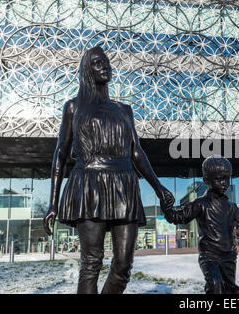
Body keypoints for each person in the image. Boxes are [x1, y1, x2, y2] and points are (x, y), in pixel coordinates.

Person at [43, 46, 173, 294]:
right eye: (97, 63)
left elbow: (137, 152)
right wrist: (52, 203)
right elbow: (60, 154)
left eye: (106, 61)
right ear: (86, 70)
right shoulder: (73, 107)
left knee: (124, 264)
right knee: (91, 263)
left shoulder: (124, 110)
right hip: (88, 184)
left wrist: (158, 187)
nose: (104, 66)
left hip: (124, 184)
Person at [160, 155, 239, 294]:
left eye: (227, 178)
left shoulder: (231, 207)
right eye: (219, 179)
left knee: (230, 290)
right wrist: (166, 207)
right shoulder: (200, 204)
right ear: (207, 180)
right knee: (215, 284)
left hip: (229, 256)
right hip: (209, 255)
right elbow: (178, 217)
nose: (224, 183)